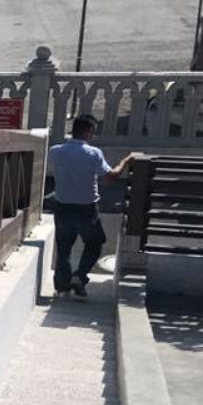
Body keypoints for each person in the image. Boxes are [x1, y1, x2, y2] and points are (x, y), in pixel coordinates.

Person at [47, 115, 133, 297]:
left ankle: (62, 286)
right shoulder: (93, 153)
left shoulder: (55, 151)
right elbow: (109, 177)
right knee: (95, 242)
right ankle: (79, 276)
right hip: (86, 209)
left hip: (62, 206)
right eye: (93, 131)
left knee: (64, 247)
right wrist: (125, 161)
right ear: (88, 132)